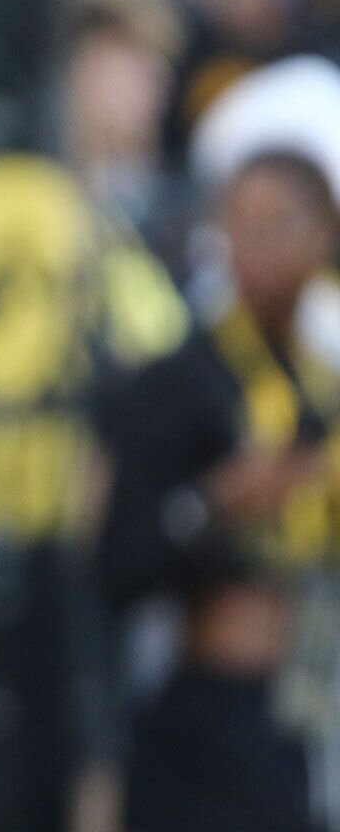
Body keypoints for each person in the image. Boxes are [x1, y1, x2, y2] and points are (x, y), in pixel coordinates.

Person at [98, 150, 340, 832]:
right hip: (204, 714)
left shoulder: (322, 382)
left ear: (325, 233)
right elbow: (116, 561)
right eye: (239, 221)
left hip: (309, 707)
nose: (255, 245)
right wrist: (214, 506)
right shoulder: (172, 382)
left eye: (281, 222)